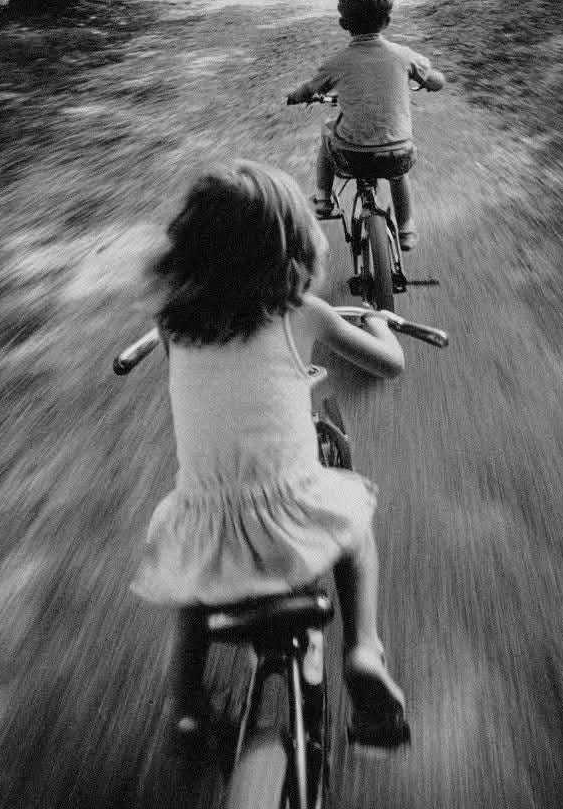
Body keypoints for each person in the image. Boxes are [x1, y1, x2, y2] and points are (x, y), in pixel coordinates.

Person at [130, 161, 409, 744]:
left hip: (207, 520)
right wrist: (381, 324)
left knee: (193, 591)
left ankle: (185, 706)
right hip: (291, 514)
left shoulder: (176, 324)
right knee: (355, 529)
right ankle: (363, 651)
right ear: (293, 249)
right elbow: (389, 365)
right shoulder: (302, 314)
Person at [286, 0, 445, 251]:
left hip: (351, 156)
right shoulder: (404, 56)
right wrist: (432, 81)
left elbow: (308, 89)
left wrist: (295, 96)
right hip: (397, 152)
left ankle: (323, 199)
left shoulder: (336, 63)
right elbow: (436, 81)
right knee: (398, 174)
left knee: (327, 129)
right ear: (387, 20)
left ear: (343, 24)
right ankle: (406, 229)